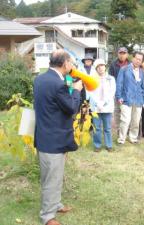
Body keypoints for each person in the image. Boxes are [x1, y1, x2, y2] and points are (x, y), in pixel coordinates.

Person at [34, 49, 83, 225]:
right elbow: (71, 108)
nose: (72, 65)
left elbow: (58, 98)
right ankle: (47, 216)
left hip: (47, 136)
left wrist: (71, 84)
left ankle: (55, 204)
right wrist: (76, 91)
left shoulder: (41, 79)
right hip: (53, 139)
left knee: (55, 175)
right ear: (64, 64)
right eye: (70, 62)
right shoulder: (58, 84)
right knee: (51, 178)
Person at [116, 51, 144, 144]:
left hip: (138, 99)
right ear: (133, 58)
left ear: (141, 61)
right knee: (125, 120)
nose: (138, 61)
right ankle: (121, 139)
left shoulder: (142, 71)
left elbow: (143, 87)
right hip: (126, 99)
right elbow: (119, 84)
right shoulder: (124, 69)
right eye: (136, 58)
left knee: (136, 121)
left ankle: (133, 137)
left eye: (140, 60)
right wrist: (118, 96)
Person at [89, 59, 116, 152]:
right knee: (97, 127)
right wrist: (97, 103)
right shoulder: (92, 79)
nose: (101, 68)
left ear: (105, 67)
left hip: (107, 107)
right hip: (96, 107)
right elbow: (91, 92)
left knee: (107, 128)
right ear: (96, 69)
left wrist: (103, 102)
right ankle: (97, 145)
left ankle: (109, 145)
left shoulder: (111, 79)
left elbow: (112, 92)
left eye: (102, 66)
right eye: (98, 66)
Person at [109, 47, 130, 134]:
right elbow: (110, 78)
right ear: (118, 54)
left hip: (128, 91)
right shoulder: (113, 64)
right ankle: (118, 129)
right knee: (117, 111)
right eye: (120, 53)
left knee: (127, 111)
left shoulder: (130, 64)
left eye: (124, 53)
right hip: (116, 91)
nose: (122, 55)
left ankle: (127, 129)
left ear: (127, 54)